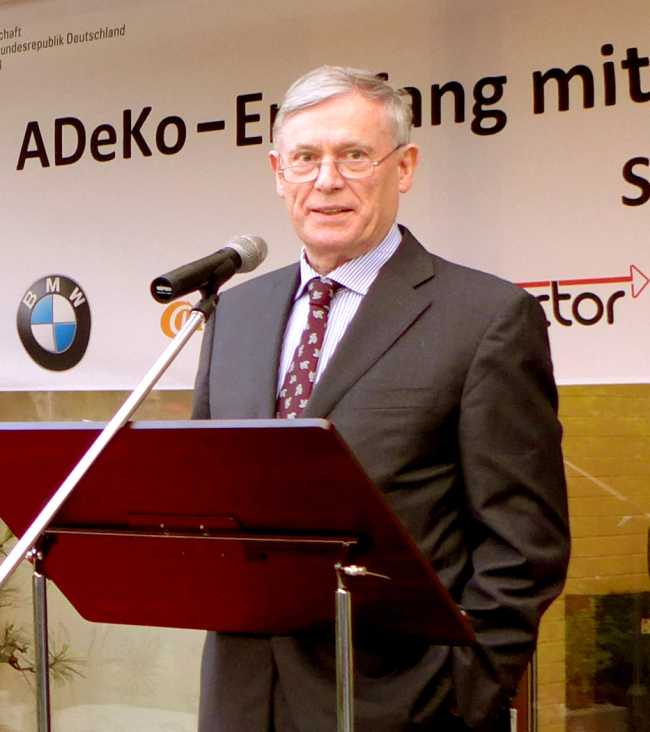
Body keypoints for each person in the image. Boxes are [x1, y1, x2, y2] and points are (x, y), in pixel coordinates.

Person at [192, 66, 570, 732]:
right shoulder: (235, 313)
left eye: (354, 155)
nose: (327, 180)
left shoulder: (484, 318)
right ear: (279, 172)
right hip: (245, 699)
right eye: (305, 159)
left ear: (405, 167)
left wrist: (463, 696)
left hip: (405, 704)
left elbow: (524, 547)